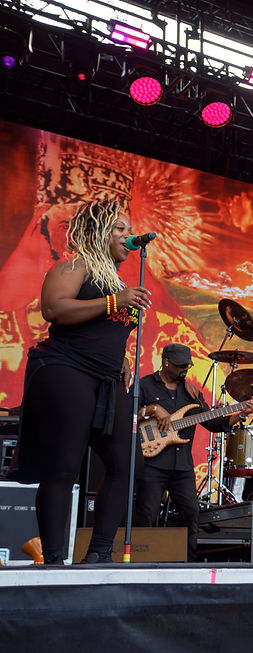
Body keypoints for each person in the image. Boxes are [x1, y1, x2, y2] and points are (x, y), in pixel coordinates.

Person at [11, 199, 152, 564]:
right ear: (99, 232)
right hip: (65, 369)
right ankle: (55, 560)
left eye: (127, 229)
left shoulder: (117, 280)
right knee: (64, 465)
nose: (128, 235)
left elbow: (101, 330)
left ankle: (99, 555)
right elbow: (54, 308)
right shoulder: (77, 265)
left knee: (125, 465)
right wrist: (113, 301)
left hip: (105, 379)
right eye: (119, 229)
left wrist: (119, 357)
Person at [133, 343, 253, 561]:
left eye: (188, 366)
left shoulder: (191, 392)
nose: (185, 369)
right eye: (180, 365)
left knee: (191, 513)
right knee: (147, 514)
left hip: (182, 466)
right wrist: (153, 409)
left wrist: (240, 414)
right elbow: (129, 414)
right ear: (165, 363)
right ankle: (140, 561)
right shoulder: (145, 385)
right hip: (152, 464)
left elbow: (214, 422)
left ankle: (187, 562)